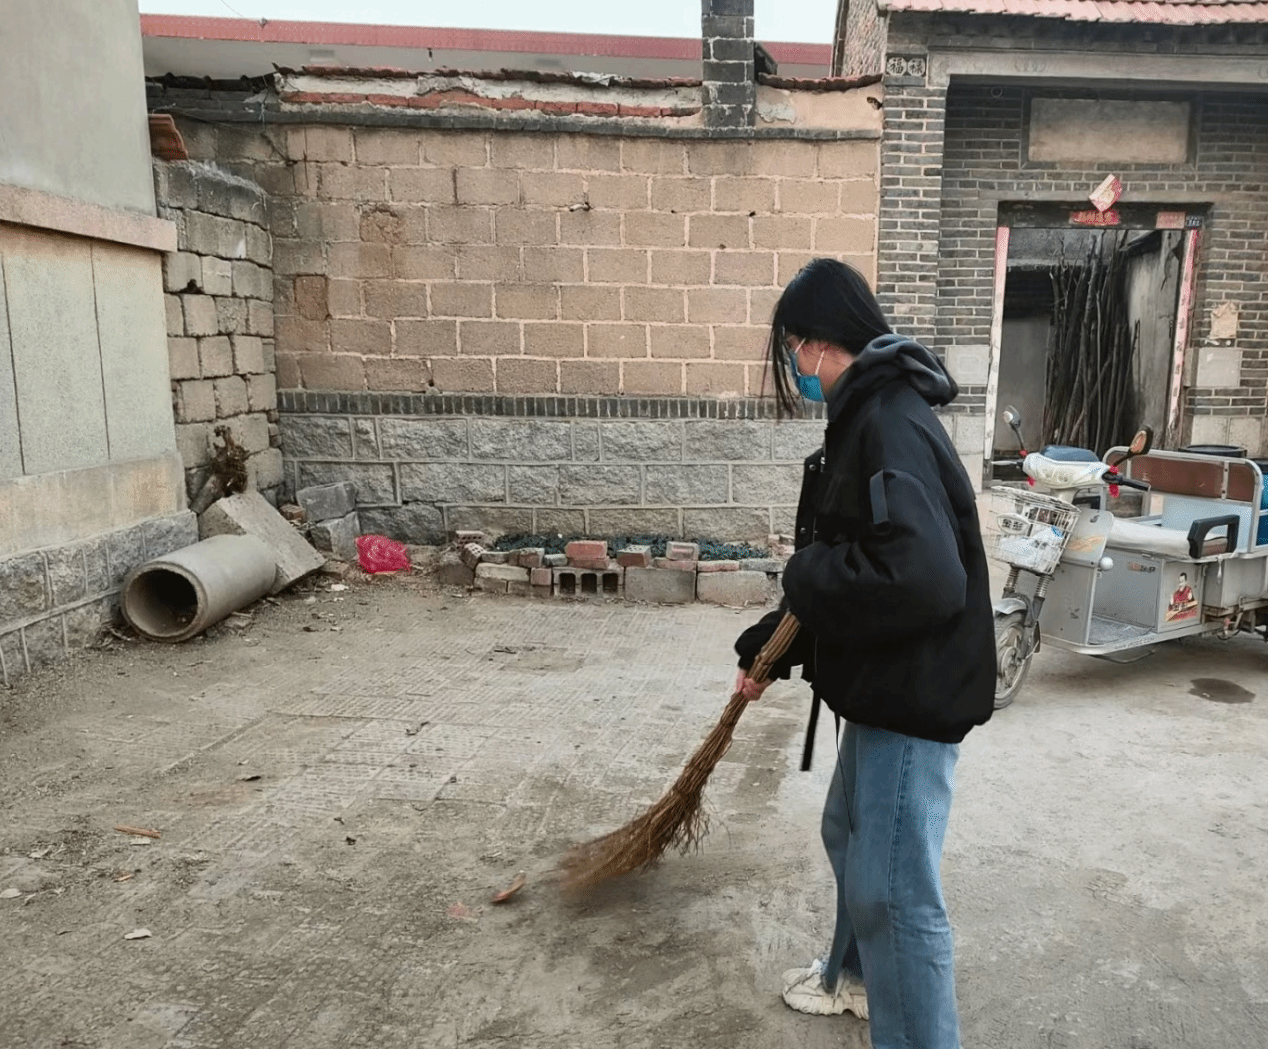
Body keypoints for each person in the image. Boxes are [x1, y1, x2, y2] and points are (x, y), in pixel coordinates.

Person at [734, 258, 996, 1049]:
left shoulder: (887, 422)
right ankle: (854, 977)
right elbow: (860, 556)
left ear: (819, 342)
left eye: (793, 348)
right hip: (885, 684)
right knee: (849, 834)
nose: (794, 365)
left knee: (895, 893)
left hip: (912, 696)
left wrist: (804, 573)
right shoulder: (870, 413)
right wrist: (775, 640)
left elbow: (922, 577)